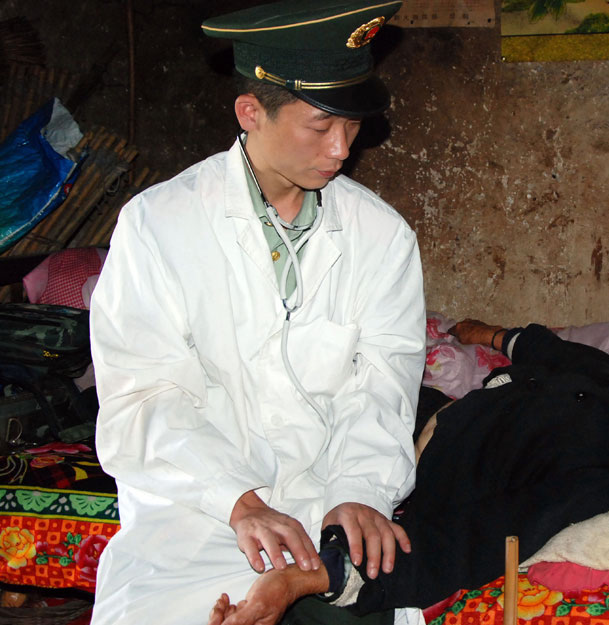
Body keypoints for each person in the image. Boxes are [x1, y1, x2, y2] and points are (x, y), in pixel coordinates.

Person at [88, 1, 425, 624]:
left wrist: (357, 493)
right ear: (251, 113)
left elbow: (384, 388)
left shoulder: (382, 236)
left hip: (325, 510)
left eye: (352, 127)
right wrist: (237, 498)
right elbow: (143, 399)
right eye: (320, 126)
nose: (341, 148)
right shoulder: (159, 225)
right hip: (195, 517)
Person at [208, 320, 609, 625]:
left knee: (258, 435)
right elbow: (566, 356)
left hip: (405, 461)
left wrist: (304, 581)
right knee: (276, 379)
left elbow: (473, 541)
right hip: (429, 406)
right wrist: (489, 335)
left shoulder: (601, 485)